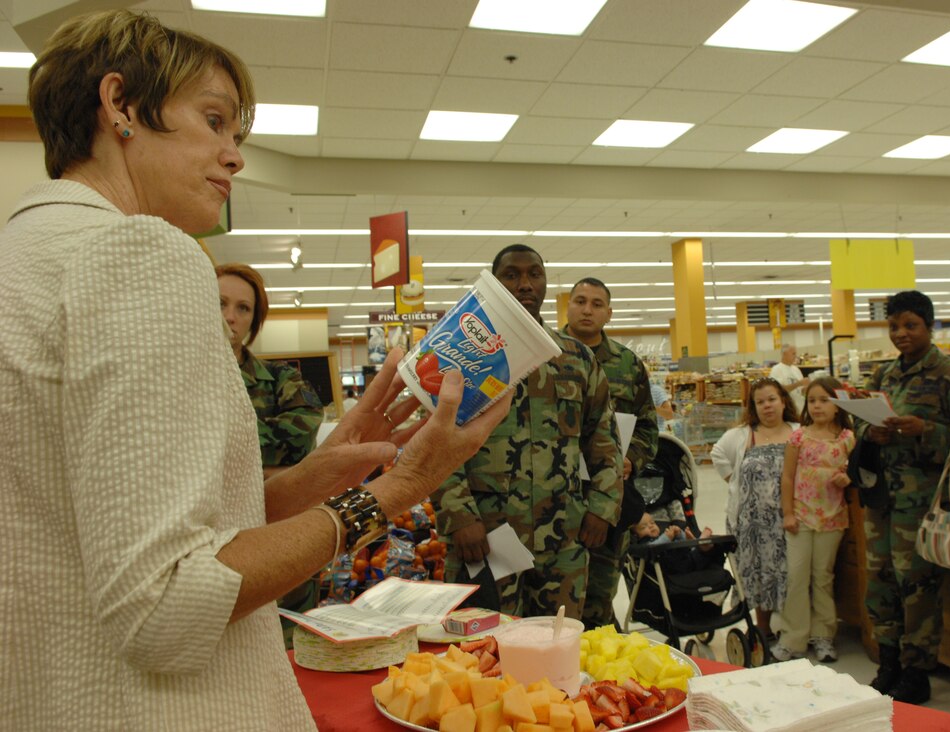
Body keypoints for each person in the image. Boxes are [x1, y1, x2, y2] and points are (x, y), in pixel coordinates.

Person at [0, 11, 512, 729]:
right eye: (213, 121)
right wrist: (399, 489)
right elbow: (166, 603)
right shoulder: (141, 254)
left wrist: (311, 479)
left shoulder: (26, 252)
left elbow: (106, 523)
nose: (233, 156)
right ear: (118, 105)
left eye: (236, 134)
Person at [433, 245, 623, 620]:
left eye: (534, 274)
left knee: (560, 645)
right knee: (486, 648)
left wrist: (603, 507)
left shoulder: (576, 358)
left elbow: (604, 438)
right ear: (494, 283)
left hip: (563, 536)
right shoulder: (465, 357)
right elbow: (436, 442)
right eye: (512, 275)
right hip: (487, 535)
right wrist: (459, 516)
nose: (525, 284)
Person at [853, 290, 950, 704]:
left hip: (921, 503)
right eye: (894, 327)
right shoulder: (883, 376)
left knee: (916, 586)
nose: (901, 334)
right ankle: (888, 663)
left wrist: (926, 431)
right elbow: (859, 420)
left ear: (929, 326)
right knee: (880, 582)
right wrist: (872, 430)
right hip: (881, 498)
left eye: (910, 326)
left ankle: (917, 671)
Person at [563, 276, 659, 630]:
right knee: (552, 603)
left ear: (609, 314)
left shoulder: (627, 365)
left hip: (607, 500)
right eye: (580, 301)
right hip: (553, 501)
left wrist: (631, 458)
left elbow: (649, 427)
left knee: (600, 596)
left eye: (596, 304)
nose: (587, 309)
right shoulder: (544, 353)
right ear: (568, 306)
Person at [710, 377, 800, 640]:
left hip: (789, 516)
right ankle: (762, 626)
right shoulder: (742, 435)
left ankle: (793, 625)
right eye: (760, 402)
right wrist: (734, 480)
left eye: (772, 399)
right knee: (758, 572)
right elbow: (718, 454)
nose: (767, 406)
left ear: (783, 401)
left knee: (788, 570)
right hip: (751, 523)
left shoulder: (798, 431)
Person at [773, 377, 855, 664]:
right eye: (812, 400)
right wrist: (788, 513)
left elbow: (854, 472)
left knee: (823, 577)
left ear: (838, 404)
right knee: (796, 576)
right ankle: (793, 637)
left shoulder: (847, 438)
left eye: (824, 400)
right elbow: (787, 477)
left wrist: (847, 478)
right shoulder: (798, 437)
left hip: (833, 517)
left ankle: (824, 635)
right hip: (801, 516)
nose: (818, 406)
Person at [217, 263, 323, 477]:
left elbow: (306, 425)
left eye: (243, 308)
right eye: (220, 303)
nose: (230, 317)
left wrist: (218, 444)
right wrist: (267, 468)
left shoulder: (280, 377)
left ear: (253, 320)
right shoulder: (179, 376)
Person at [770, 343, 809, 414]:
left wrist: (808, 388)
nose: (795, 356)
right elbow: (779, 390)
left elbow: (801, 391)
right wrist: (799, 383)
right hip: (787, 410)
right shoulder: (777, 369)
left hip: (800, 409)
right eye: (793, 354)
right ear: (784, 354)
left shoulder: (796, 369)